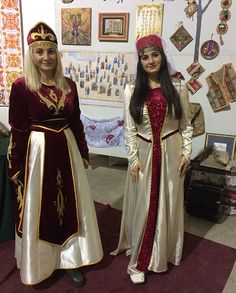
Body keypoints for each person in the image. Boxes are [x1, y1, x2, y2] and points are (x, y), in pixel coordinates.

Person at [7, 22, 103, 287]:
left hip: (67, 150)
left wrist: (83, 151)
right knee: (42, 207)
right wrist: (16, 165)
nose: (46, 57)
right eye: (39, 52)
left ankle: (70, 259)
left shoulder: (69, 84)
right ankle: (42, 263)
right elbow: (18, 129)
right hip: (38, 154)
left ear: (56, 54)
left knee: (72, 205)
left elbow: (76, 122)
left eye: (50, 51)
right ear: (31, 54)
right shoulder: (21, 86)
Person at [111, 34, 193, 284]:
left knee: (167, 203)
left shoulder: (179, 87)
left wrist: (186, 153)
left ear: (162, 56)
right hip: (145, 155)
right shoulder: (132, 90)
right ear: (140, 61)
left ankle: (163, 252)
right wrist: (133, 159)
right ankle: (140, 260)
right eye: (144, 57)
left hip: (171, 153)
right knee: (145, 206)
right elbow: (129, 130)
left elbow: (187, 125)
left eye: (154, 55)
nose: (150, 61)